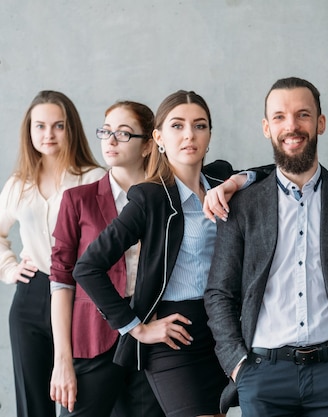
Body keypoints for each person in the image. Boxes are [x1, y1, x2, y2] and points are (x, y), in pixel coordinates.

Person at [72, 90, 265, 417]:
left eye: (199, 126)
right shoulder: (149, 198)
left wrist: (234, 183)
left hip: (226, 330)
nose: (189, 134)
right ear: (159, 137)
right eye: (177, 126)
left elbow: (276, 173)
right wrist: (137, 327)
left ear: (209, 135)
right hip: (176, 337)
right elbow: (87, 267)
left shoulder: (220, 177)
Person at [204, 76, 328, 417]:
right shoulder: (242, 206)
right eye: (279, 117)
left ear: (320, 123)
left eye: (303, 115)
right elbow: (219, 293)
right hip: (262, 374)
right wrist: (238, 366)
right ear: (266, 127)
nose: (292, 126)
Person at [48, 101, 164, 416]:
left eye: (123, 134)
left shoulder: (168, 200)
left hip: (153, 341)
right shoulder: (78, 201)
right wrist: (62, 360)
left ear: (148, 145)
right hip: (91, 339)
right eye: (106, 131)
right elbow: (61, 281)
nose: (110, 140)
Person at [0, 90, 105, 417]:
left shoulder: (94, 178)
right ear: (29, 131)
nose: (48, 135)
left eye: (58, 126)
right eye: (40, 126)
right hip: (31, 300)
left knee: (83, 401)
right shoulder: (20, 184)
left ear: (71, 128)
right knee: (34, 407)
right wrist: (9, 268)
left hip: (83, 299)